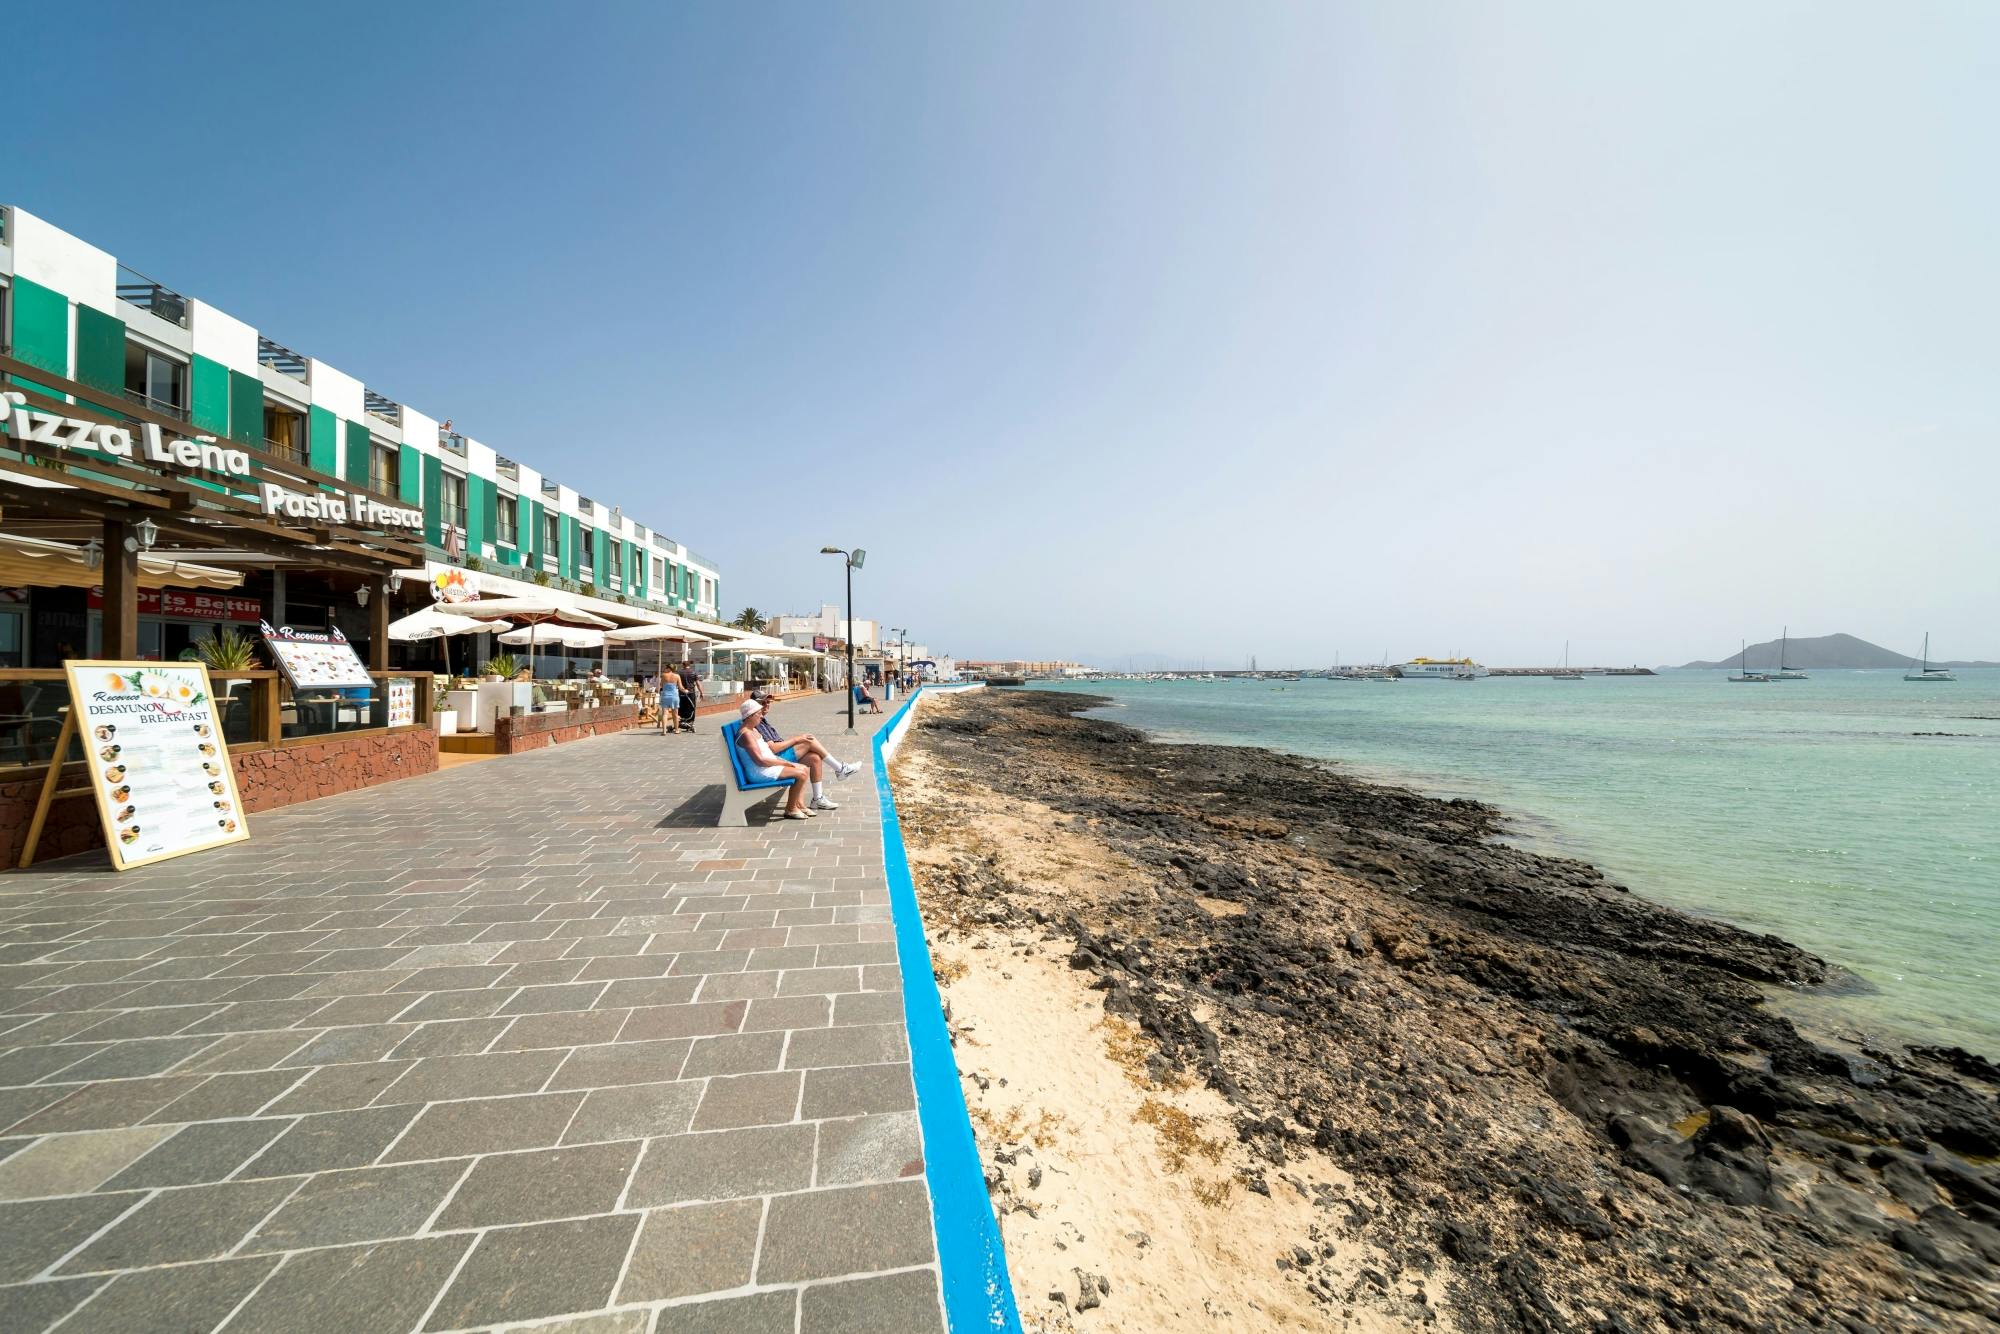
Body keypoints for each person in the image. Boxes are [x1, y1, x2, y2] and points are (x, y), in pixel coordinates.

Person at [748, 689, 859, 807]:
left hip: (778, 755)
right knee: (808, 741)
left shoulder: (761, 720)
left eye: (768, 702)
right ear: (754, 706)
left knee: (815, 758)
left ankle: (818, 799)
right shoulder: (757, 723)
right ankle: (840, 769)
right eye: (763, 703)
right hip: (775, 759)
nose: (767, 705)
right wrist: (797, 739)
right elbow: (773, 748)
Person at [735, 698, 812, 819]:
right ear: (750, 716)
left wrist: (785, 763)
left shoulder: (753, 729)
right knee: (801, 773)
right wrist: (787, 764)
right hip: (759, 771)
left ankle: (797, 805)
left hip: (766, 767)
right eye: (758, 714)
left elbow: (766, 756)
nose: (761, 716)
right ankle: (791, 809)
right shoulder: (746, 735)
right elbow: (760, 760)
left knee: (804, 768)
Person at [657, 667, 680, 735]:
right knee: (675, 715)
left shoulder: (663, 675)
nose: (665, 669)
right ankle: (677, 730)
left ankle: (664, 731)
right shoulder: (677, 676)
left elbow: (661, 685)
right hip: (674, 696)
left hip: (665, 696)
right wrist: (685, 690)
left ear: (669, 668)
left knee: (665, 714)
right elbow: (680, 686)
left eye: (666, 668)